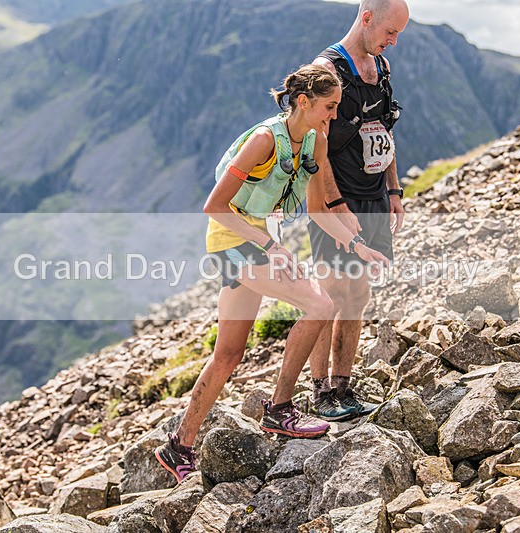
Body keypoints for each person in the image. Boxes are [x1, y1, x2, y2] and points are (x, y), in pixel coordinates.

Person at [155, 64, 389, 483]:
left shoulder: (314, 142)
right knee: (320, 303)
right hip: (232, 241)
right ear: (303, 102)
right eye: (329, 107)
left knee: (227, 354)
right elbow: (214, 206)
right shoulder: (265, 140)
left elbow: (318, 209)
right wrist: (269, 246)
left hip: (254, 240)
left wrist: (356, 246)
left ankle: (178, 446)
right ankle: (280, 410)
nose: (333, 117)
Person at [307, 0, 410, 421]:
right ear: (366, 18)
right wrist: (335, 204)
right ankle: (318, 393)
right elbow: (316, 143)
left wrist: (395, 190)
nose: (393, 41)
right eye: (390, 32)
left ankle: (343, 388)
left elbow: (384, 132)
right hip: (337, 199)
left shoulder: (381, 69)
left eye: (399, 34)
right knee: (330, 295)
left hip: (374, 198)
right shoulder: (329, 69)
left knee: (359, 292)